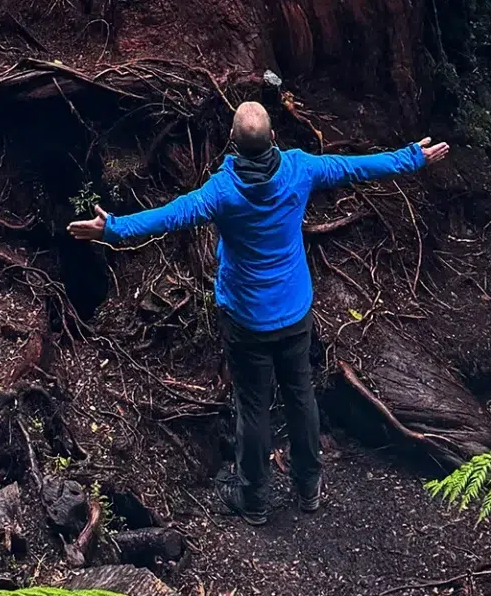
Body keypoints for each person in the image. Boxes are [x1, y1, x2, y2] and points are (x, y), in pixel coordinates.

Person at [69, 101, 450, 525]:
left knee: (253, 408)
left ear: (232, 142)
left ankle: (254, 501)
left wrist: (113, 227)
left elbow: (170, 216)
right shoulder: (300, 169)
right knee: (300, 396)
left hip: (246, 318)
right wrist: (412, 157)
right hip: (292, 313)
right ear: (272, 138)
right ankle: (308, 487)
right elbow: (355, 167)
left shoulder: (221, 192)